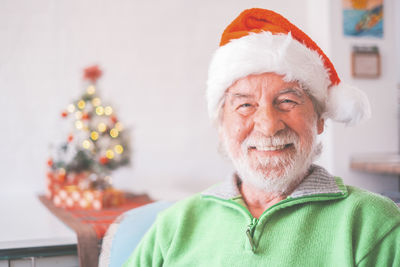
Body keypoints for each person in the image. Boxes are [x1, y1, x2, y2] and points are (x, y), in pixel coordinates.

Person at [124, 8, 400, 266]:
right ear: (221, 124)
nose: (268, 126)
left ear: (319, 120)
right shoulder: (172, 225)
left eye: (288, 101)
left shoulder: (374, 224)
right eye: (245, 105)